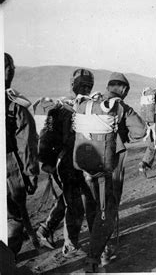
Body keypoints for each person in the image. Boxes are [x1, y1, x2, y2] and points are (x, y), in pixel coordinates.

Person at [76, 72, 146, 272]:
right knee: (109, 207)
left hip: (86, 163)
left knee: (93, 206)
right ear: (124, 89)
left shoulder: (90, 102)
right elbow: (140, 131)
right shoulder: (121, 106)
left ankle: (98, 245)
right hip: (110, 164)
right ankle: (98, 255)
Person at [35, 69, 97, 257]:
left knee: (72, 200)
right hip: (65, 164)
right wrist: (47, 161)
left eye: (88, 85)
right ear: (73, 85)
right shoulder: (62, 108)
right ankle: (69, 246)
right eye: (82, 85)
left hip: (81, 163)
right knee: (75, 204)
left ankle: (45, 230)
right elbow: (47, 136)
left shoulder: (89, 106)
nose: (85, 88)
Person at [4, 52, 40, 257]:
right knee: (13, 219)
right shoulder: (14, 106)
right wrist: (31, 174)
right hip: (9, 168)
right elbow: (26, 145)